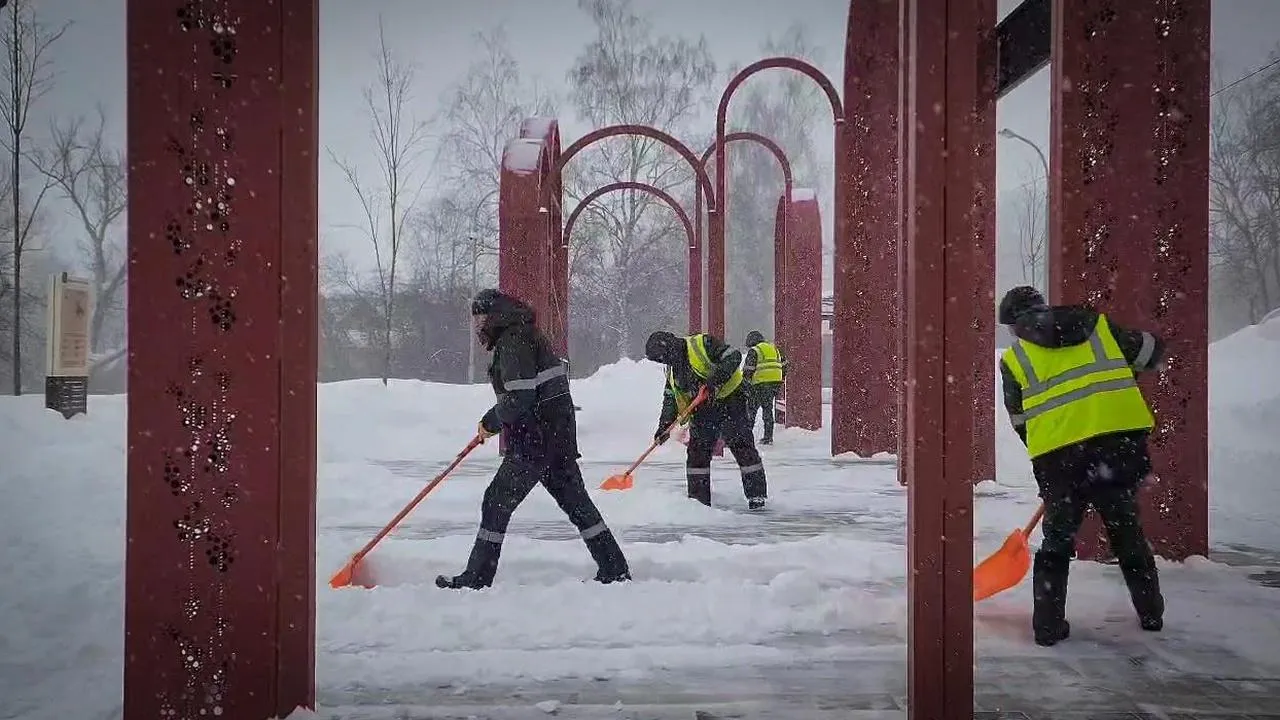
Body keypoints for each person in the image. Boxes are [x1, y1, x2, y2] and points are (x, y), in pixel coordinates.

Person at [997, 285, 1165, 646]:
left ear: (1014, 324)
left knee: (1056, 543)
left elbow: (1020, 419)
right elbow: (1151, 352)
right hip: (1116, 451)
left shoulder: (1015, 360)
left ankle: (1047, 627)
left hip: (1060, 461)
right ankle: (1151, 613)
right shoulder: (1098, 327)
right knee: (1126, 533)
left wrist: (1053, 456)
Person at [436, 289, 630, 590]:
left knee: (496, 502)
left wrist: (491, 421)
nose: (477, 326)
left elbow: (519, 398)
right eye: (475, 319)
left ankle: (478, 576)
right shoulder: (524, 335)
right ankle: (614, 567)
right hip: (556, 437)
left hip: (535, 440)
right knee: (577, 505)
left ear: (495, 316)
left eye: (481, 318)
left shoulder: (513, 341)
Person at [644, 330, 768, 509]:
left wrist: (714, 380)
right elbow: (671, 397)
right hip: (704, 410)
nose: (663, 362)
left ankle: (757, 497)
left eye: (661, 358)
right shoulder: (673, 370)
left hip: (731, 401)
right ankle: (698, 502)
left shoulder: (702, 344)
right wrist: (664, 426)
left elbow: (733, 357)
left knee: (742, 446)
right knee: (697, 452)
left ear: (669, 348)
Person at [742, 330, 787, 444]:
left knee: (751, 410)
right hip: (774, 383)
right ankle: (768, 437)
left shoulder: (755, 350)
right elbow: (785, 364)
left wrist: (745, 384)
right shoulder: (774, 349)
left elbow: (749, 369)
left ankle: (746, 437)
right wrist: (780, 378)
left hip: (760, 384)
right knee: (767, 410)